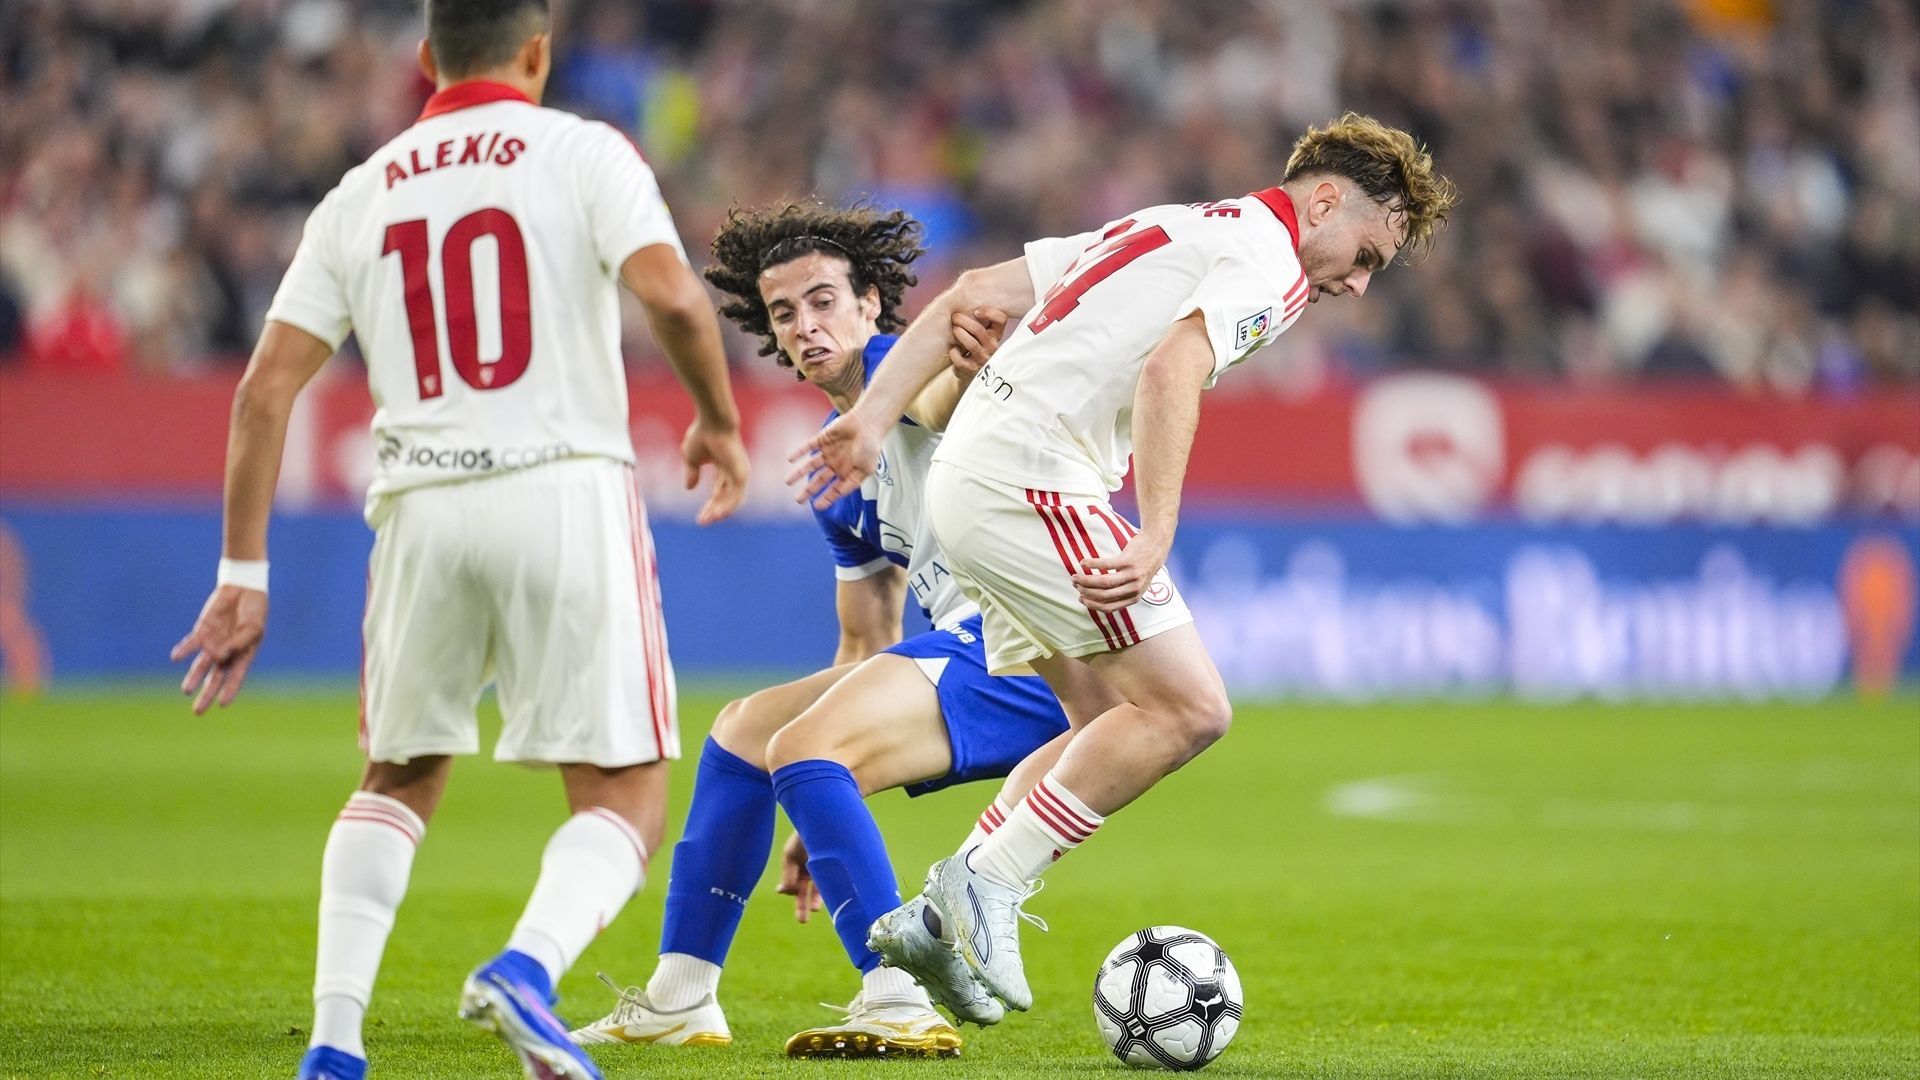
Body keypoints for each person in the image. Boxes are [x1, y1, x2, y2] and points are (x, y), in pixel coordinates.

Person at [168, 1, 749, 1077]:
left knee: (397, 776)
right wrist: (717, 419)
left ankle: (335, 1045)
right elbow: (671, 294)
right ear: (537, 52)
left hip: (421, 506)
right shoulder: (583, 152)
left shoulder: (363, 190)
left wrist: (241, 575)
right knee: (623, 792)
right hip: (565, 488)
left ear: (427, 59)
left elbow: (263, 392)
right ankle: (528, 971)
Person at [793, 113, 1456, 1017]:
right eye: (1369, 255)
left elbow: (971, 292)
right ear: (1328, 200)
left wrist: (873, 418)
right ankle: (983, 887)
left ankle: (942, 920)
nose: (1361, 286)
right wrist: (1154, 532)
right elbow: (1171, 370)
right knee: (1191, 707)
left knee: (1099, 724)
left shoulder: (1171, 225)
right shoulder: (1272, 261)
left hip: (979, 476)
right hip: (1031, 479)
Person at [569, 203, 1072, 1059]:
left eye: (825, 300)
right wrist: (822, 795)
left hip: (1040, 650)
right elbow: (864, 645)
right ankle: (680, 995)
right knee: (742, 737)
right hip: (966, 650)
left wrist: (817, 758)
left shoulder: (899, 374)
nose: (807, 326)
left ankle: (899, 998)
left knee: (800, 747)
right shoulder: (839, 467)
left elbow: (948, 389)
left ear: (872, 305)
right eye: (785, 314)